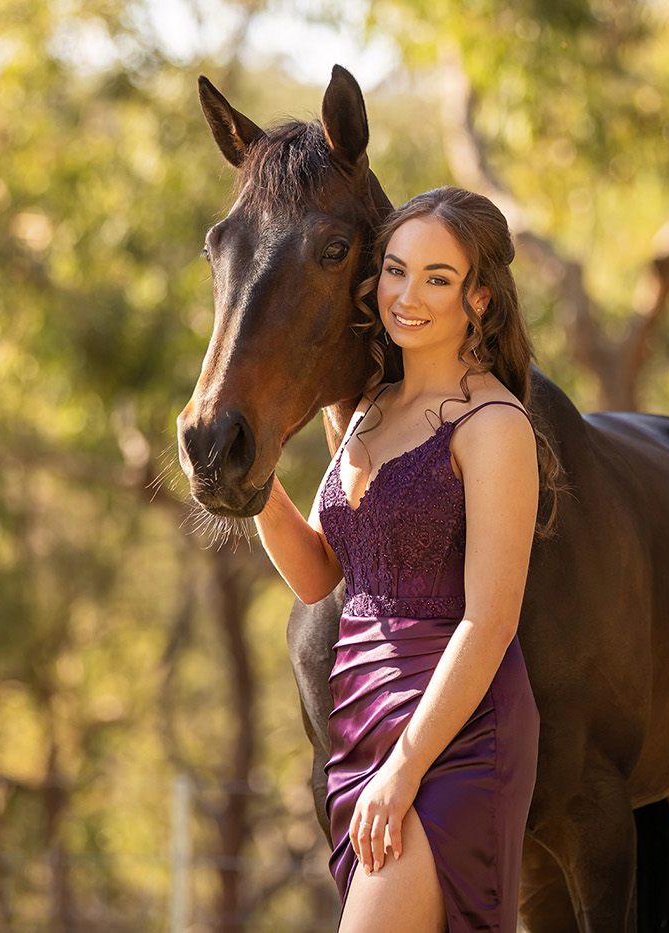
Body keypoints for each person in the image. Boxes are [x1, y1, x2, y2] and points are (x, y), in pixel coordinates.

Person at [253, 186, 564, 933]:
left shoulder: (494, 424)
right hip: (358, 719)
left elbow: (489, 623)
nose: (407, 295)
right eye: (395, 270)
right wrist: (251, 481)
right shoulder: (367, 409)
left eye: (437, 277)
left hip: (454, 733)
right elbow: (323, 575)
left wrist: (406, 766)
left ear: (481, 298)